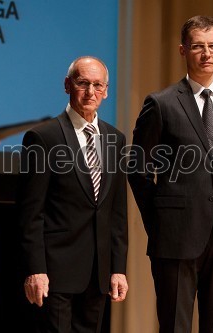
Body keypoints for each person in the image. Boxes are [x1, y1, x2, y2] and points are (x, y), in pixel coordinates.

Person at [128, 15, 213, 333]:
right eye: (198, 46)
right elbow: (138, 168)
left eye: (212, 46)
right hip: (175, 237)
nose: (206, 54)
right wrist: (160, 220)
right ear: (183, 50)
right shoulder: (160, 104)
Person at [17, 56, 129, 332]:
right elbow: (31, 213)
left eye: (98, 85)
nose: (91, 92)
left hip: (98, 275)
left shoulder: (116, 139)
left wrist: (118, 268)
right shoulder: (43, 137)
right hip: (54, 275)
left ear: (106, 90)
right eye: (83, 83)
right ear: (68, 85)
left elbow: (117, 212)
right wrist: (36, 269)